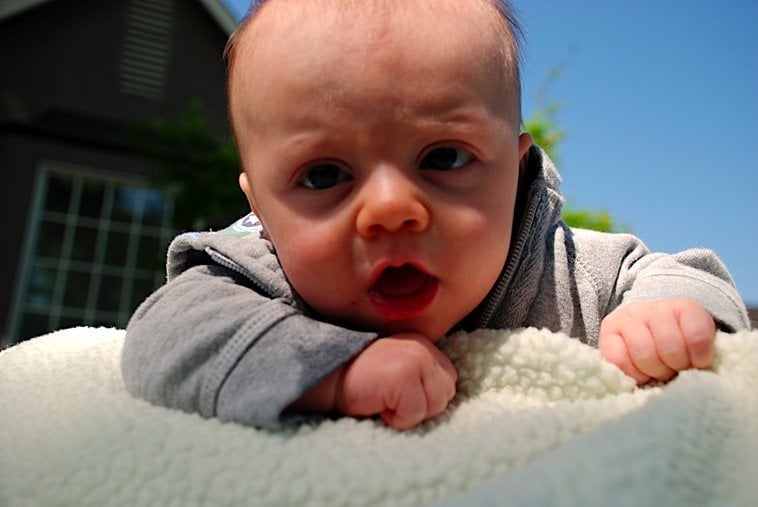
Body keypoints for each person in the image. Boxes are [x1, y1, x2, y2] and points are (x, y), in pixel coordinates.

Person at [121, 0, 750, 431]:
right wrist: (337, 372)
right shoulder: (258, 273)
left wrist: (665, 314)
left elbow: (685, 271)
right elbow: (166, 335)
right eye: (323, 176)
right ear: (261, 207)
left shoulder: (559, 269)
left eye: (443, 158)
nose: (391, 208)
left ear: (515, 171)